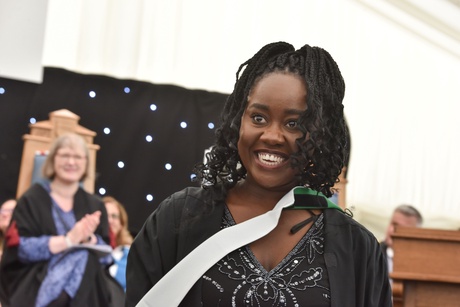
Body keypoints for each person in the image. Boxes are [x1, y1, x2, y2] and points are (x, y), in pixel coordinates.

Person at [125, 42, 392, 306]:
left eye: (294, 124)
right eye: (259, 118)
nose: (272, 136)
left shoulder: (356, 248)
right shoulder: (179, 218)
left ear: (320, 134)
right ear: (238, 120)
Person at [0, 132, 123, 307]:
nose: (71, 162)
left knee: (84, 258)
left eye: (77, 157)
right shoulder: (32, 199)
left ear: (86, 163)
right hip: (36, 277)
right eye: (65, 155)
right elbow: (21, 250)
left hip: (88, 283)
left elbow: (106, 258)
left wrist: (88, 238)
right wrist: (68, 240)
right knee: (81, 257)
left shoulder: (95, 205)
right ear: (52, 160)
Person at [381, 204, 423, 274]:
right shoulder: (372, 254)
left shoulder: (421, 263)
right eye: (394, 224)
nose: (395, 230)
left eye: (402, 229)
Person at [104, 196, 133, 291]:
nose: (109, 221)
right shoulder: (88, 248)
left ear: (121, 223)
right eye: (105, 215)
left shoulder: (130, 254)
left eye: (114, 216)